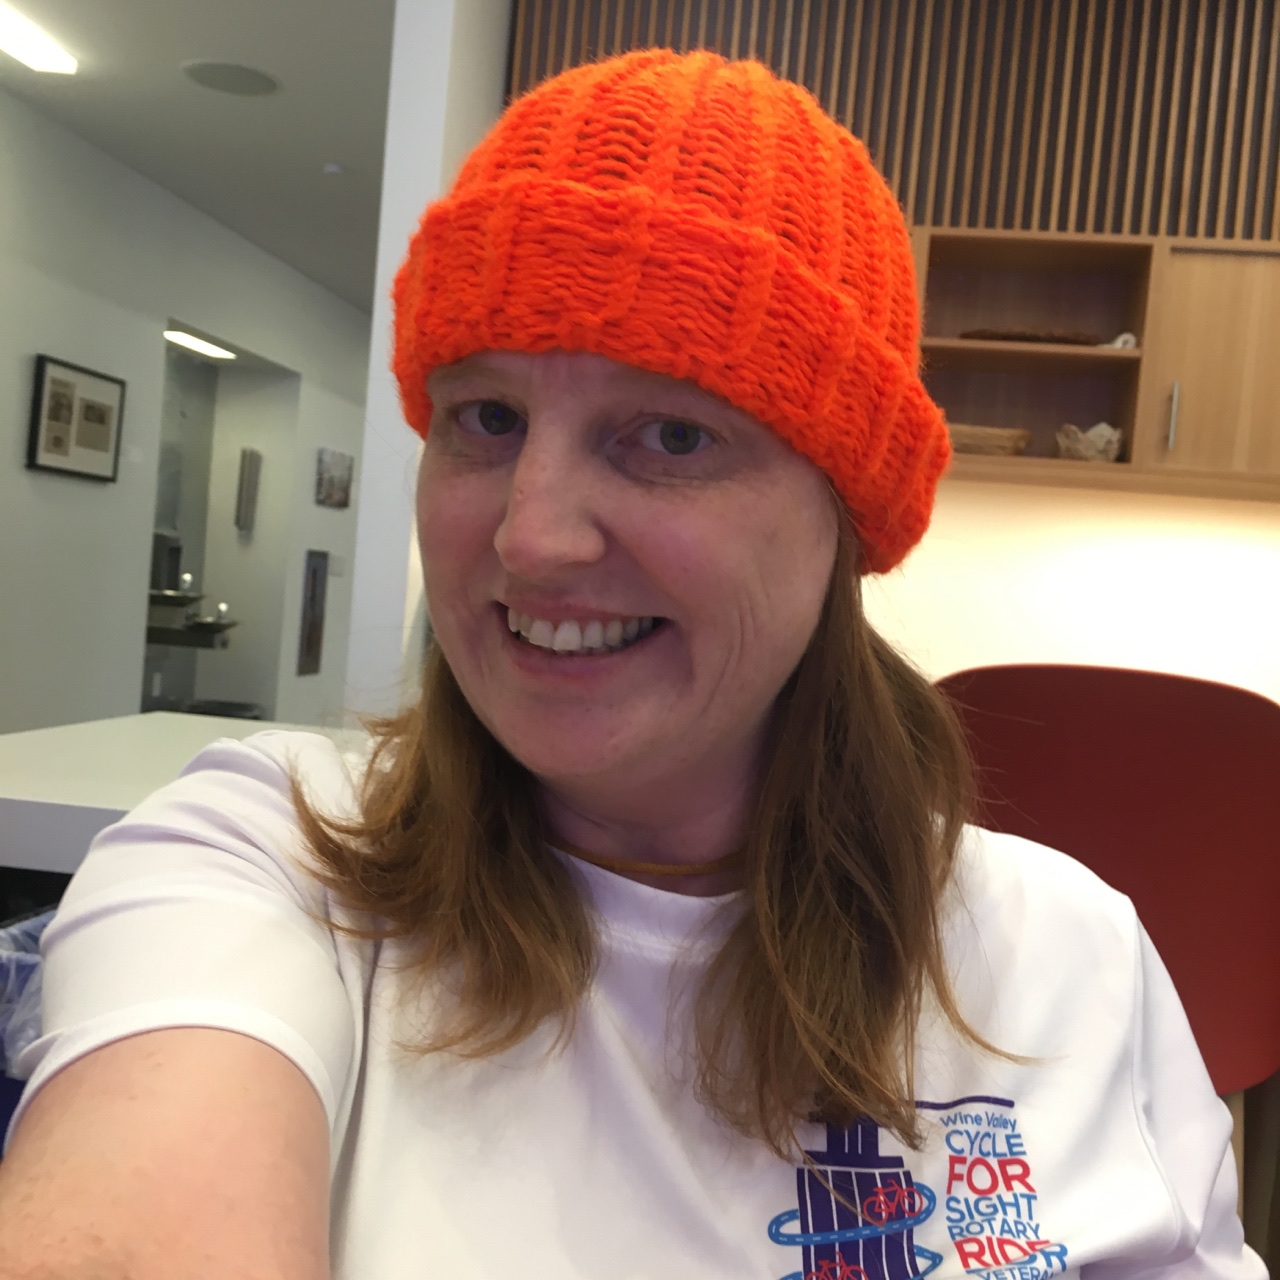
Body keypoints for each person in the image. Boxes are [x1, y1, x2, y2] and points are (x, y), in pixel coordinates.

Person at [0, 49, 1261, 1280]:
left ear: (846, 515)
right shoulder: (262, 863)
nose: (529, 534)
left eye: (669, 431)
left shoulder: (1072, 956)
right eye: (484, 417)